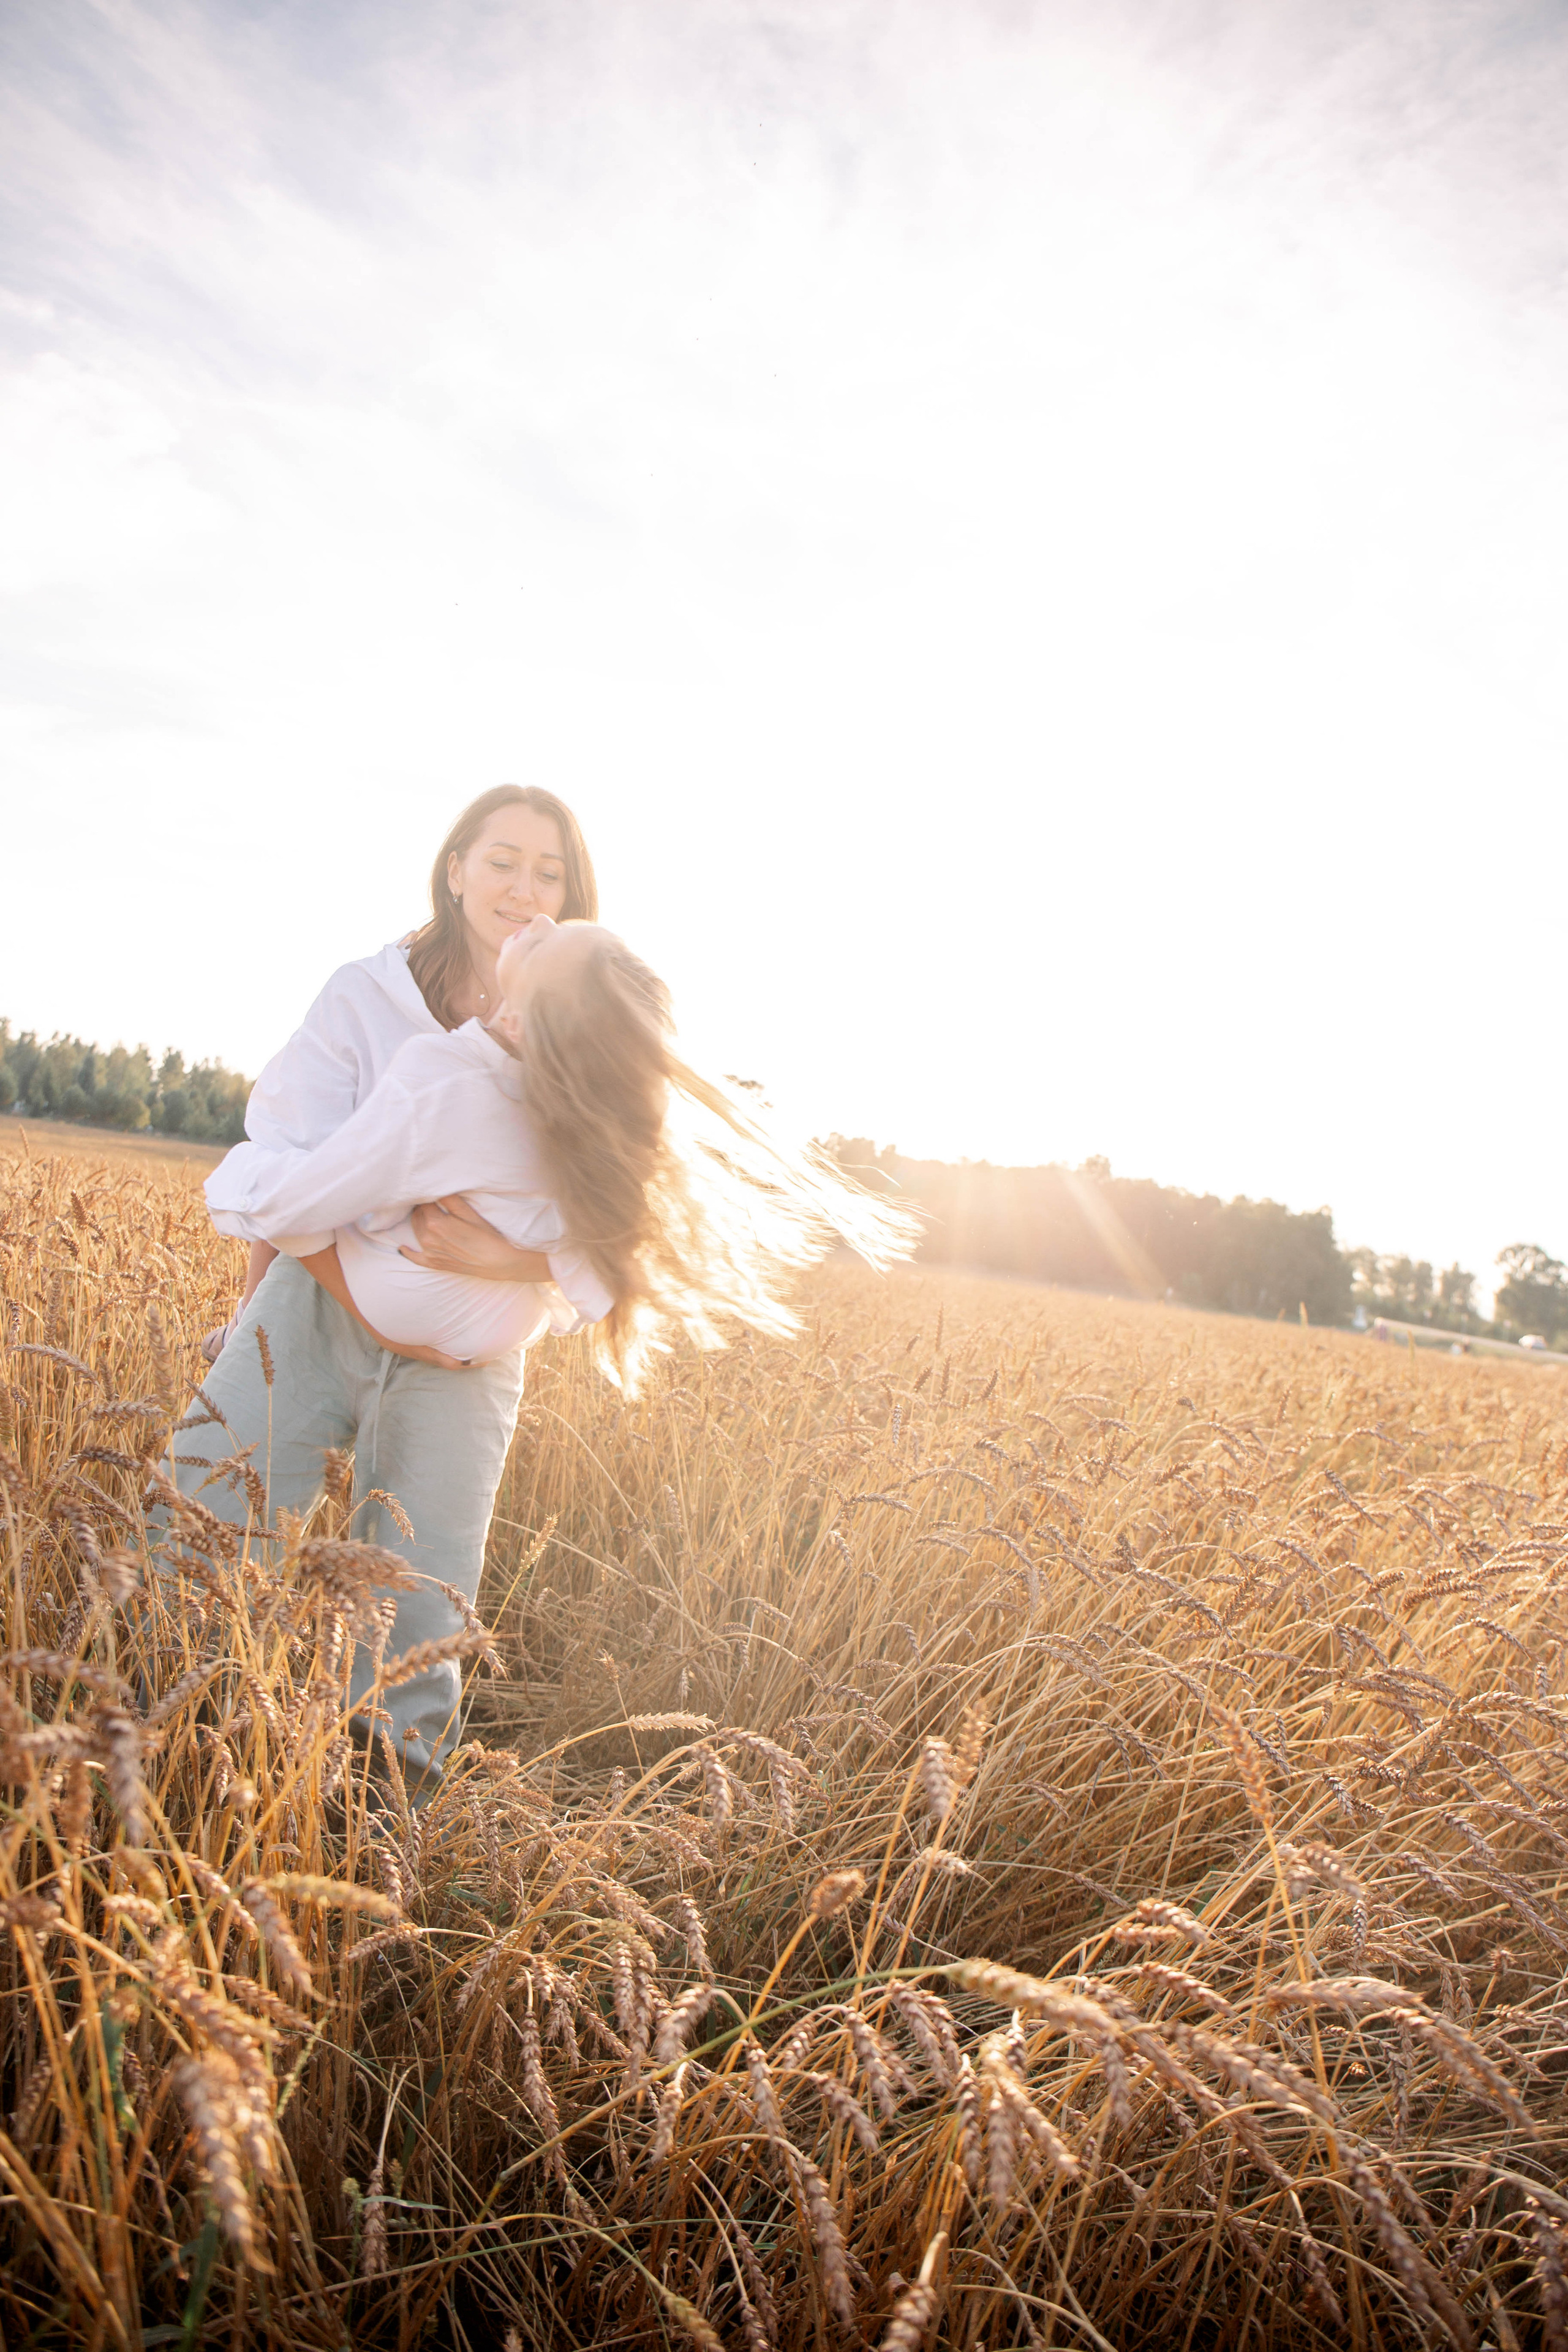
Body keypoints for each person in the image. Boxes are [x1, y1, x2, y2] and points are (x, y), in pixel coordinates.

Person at [172, 786, 602, 1786]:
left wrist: (512, 1264)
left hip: (468, 1355)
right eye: (503, 860)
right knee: (198, 1518)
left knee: (419, 1604)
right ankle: (172, 1756)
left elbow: (623, 1220)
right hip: (313, 1306)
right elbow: (285, 1159)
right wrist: (289, 1309)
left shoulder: (585, 1023)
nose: (522, 888)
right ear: (455, 869)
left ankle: (380, 1835)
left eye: (549, 872)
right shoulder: (367, 995)